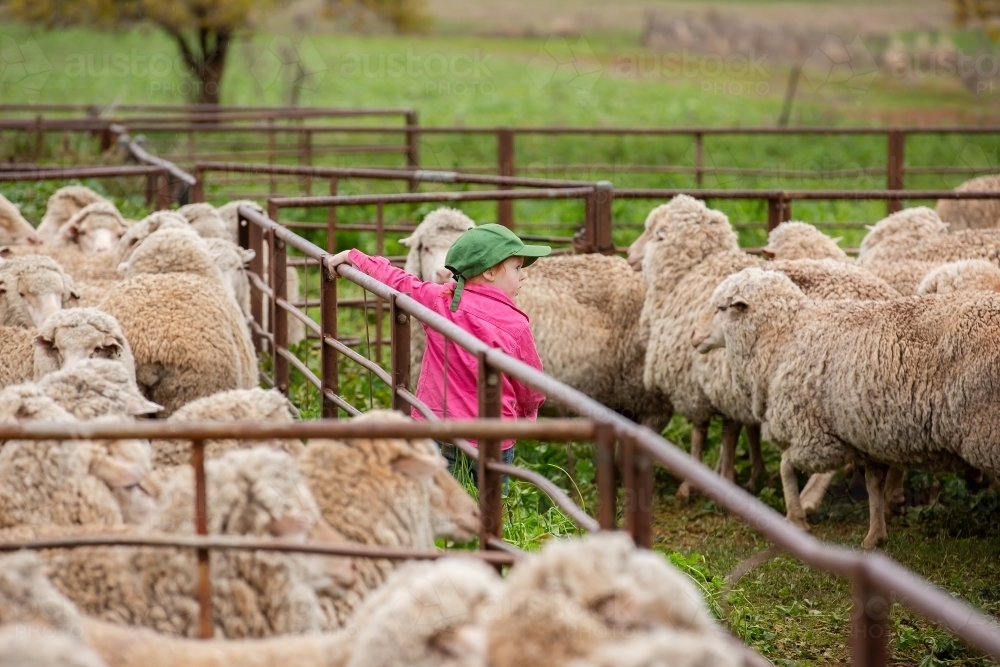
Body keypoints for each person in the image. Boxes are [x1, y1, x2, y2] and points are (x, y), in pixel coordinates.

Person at [326, 223, 550, 490]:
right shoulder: (515, 324)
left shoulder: (439, 301)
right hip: (493, 438)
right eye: (516, 268)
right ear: (490, 272)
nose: (523, 276)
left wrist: (355, 257)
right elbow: (531, 385)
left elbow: (399, 281)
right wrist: (525, 417)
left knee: (438, 496)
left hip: (438, 428)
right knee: (491, 507)